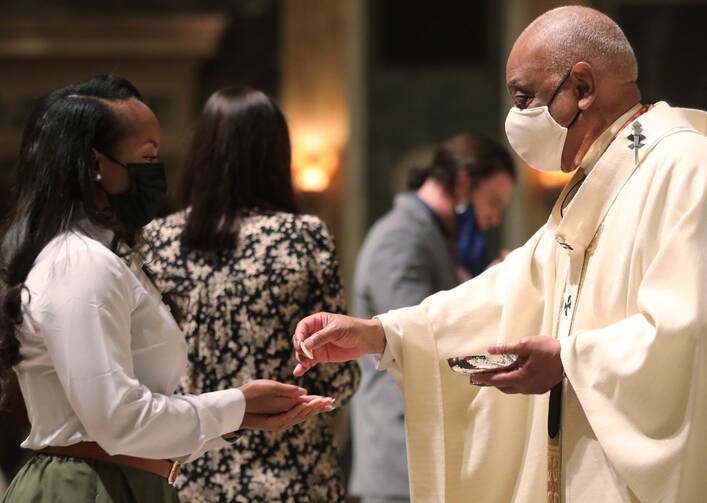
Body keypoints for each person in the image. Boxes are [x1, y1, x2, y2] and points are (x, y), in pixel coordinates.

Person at [293, 6, 707, 502]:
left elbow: (689, 333)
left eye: (525, 97)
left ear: (582, 87)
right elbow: (507, 289)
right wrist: (383, 332)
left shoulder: (685, 168)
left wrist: (569, 360)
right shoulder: (601, 180)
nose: (518, 117)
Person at [0, 76, 334, 503]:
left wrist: (238, 415)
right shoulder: (79, 263)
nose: (158, 171)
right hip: (88, 487)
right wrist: (235, 405)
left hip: (124, 481)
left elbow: (133, 420)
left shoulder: (107, 254)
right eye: (148, 155)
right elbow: (117, 420)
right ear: (95, 164)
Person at [143, 87, 360, 502]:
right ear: (276, 155)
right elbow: (338, 374)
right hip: (293, 472)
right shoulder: (301, 237)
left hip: (187, 473)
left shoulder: (157, 240)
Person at [349, 133, 514, 503]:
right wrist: (491, 287)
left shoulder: (436, 238)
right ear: (463, 181)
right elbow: (415, 339)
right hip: (399, 457)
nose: (493, 218)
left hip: (423, 446)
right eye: (492, 202)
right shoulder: (401, 238)